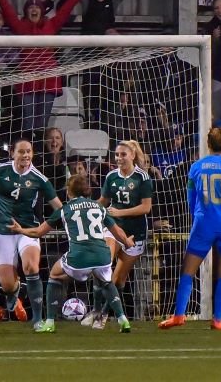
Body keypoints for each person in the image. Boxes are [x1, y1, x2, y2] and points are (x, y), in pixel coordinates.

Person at [8, 174, 134, 333]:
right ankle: (123, 320)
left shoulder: (64, 210)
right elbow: (118, 232)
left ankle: (50, 322)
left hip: (79, 257)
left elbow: (38, 232)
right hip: (102, 256)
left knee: (54, 274)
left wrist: (20, 230)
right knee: (106, 281)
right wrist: (128, 242)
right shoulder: (99, 207)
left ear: (69, 191)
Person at [159, 127, 221, 330]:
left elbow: (191, 198)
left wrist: (198, 214)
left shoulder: (196, 167)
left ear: (208, 144)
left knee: (187, 271)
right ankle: (218, 319)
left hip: (203, 223)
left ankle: (179, 315)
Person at [0, 138, 62, 328]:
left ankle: (37, 320)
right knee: (7, 285)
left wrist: (43, 228)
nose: (25, 155)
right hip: (2, 231)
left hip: (27, 231)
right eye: (21, 152)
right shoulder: (0, 170)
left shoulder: (40, 179)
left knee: (31, 267)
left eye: (28, 152)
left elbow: (59, 209)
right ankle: (13, 294)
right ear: (13, 153)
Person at [0, 0, 91, 131]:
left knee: (42, 125)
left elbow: (65, 11)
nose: (34, 9)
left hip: (48, 81)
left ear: (42, 11)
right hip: (27, 82)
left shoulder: (51, 24)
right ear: (26, 11)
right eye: (31, 7)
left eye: (37, 7)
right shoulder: (20, 26)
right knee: (28, 124)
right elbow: (7, 10)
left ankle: (41, 155)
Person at [78, 140, 153, 328]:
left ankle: (103, 314)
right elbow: (103, 201)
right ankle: (95, 310)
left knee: (118, 280)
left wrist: (120, 212)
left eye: (123, 155)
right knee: (102, 262)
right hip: (113, 228)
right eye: (117, 155)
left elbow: (146, 207)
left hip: (135, 233)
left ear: (132, 155)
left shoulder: (142, 178)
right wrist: (86, 211)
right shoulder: (111, 176)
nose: (119, 158)